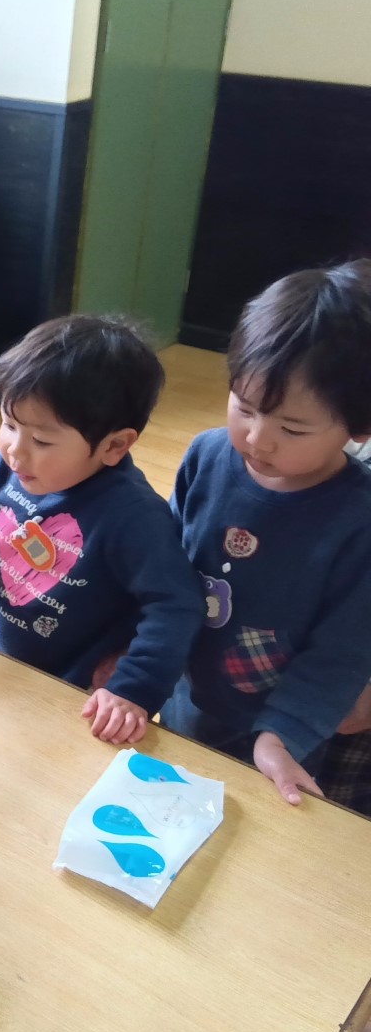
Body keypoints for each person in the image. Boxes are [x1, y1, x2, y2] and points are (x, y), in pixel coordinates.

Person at [0, 315, 203, 744]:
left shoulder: (135, 517)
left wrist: (132, 688)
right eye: (9, 425)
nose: (15, 450)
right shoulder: (14, 468)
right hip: (4, 649)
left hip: (83, 687)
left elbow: (176, 607)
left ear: (114, 445)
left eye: (43, 440)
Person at [162, 260, 371, 806]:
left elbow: (343, 651)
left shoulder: (359, 518)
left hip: (284, 734)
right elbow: (160, 567)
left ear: (359, 427)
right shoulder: (206, 455)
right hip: (185, 699)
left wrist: (282, 738)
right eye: (244, 407)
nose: (258, 438)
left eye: (292, 428)